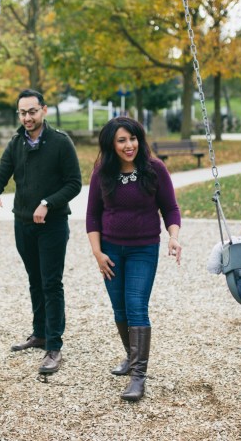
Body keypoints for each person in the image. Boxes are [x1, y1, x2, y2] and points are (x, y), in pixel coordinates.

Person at [85, 116, 182, 402]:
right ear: (111, 145)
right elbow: (92, 215)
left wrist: (174, 237)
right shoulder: (102, 172)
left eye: (133, 138)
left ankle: (138, 376)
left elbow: (171, 209)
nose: (130, 145)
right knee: (119, 310)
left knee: (136, 306)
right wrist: (97, 252)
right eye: (122, 140)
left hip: (143, 249)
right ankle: (131, 356)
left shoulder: (154, 169)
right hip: (111, 251)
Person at [0, 89, 82, 375]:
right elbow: (0, 174)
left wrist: (47, 203)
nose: (27, 117)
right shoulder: (16, 142)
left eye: (32, 112)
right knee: (34, 280)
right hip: (23, 224)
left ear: (44, 111)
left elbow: (74, 183)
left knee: (51, 283)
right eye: (22, 113)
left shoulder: (61, 142)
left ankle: (54, 346)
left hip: (52, 225)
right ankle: (39, 333)